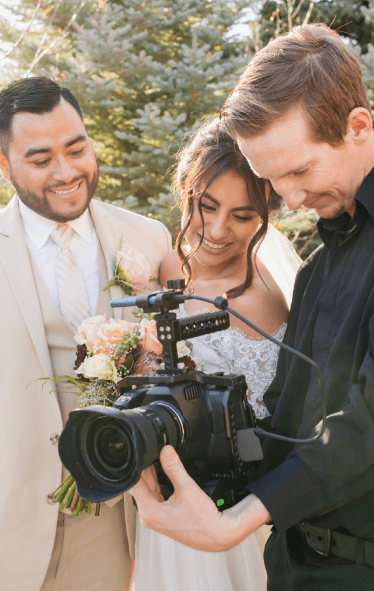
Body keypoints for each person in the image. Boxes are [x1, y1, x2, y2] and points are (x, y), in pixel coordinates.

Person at [128, 24, 374, 591]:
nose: (293, 199)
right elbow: (284, 417)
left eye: (299, 171)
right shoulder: (320, 269)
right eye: (273, 180)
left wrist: (241, 519)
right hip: (294, 564)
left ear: (358, 125)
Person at [0, 77, 172, 591]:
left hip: (127, 529)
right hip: (3, 535)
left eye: (77, 148)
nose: (67, 172)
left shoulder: (147, 238)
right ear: (5, 166)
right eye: (41, 159)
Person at [132, 119, 302, 591]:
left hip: (225, 507)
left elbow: (272, 420)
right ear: (186, 189)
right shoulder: (170, 266)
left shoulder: (259, 296)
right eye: (206, 206)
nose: (217, 230)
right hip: (167, 505)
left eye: (243, 216)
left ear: (268, 217)